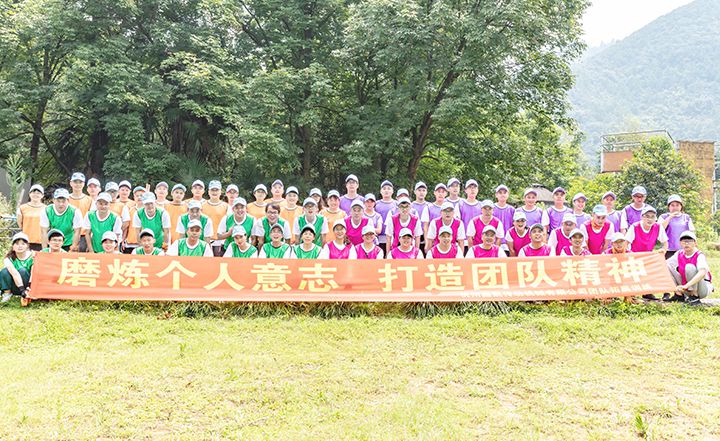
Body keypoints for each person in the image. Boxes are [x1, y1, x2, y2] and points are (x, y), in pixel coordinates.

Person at [665, 231, 713, 305]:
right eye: (684, 241)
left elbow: (702, 273)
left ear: (695, 243)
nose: (686, 244)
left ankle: (694, 296)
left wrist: (686, 286)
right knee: (667, 266)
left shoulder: (699, 255)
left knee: (689, 267)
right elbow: (665, 264)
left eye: (689, 241)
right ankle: (679, 295)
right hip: (685, 287)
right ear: (680, 243)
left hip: (701, 289)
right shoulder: (679, 253)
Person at [1, 233, 34, 304]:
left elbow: (33, 273)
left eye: (23, 244)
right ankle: (7, 293)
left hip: (27, 285)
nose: (20, 246)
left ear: (27, 246)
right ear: (13, 247)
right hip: (16, 285)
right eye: (17, 244)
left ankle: (26, 293)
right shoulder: (8, 259)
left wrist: (28, 287)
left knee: (23, 270)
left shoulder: (33, 256)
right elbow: (15, 274)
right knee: (4, 271)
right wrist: (21, 289)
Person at [660, 194, 695, 259]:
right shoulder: (663, 217)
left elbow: (692, 232)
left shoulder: (686, 217)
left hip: (683, 249)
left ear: (681, 206)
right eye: (672, 205)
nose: (675, 207)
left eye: (677, 205)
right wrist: (670, 217)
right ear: (668, 207)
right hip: (668, 250)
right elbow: (660, 229)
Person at [202, 180, 230, 256]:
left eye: (216, 190)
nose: (214, 192)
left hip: (220, 242)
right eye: (212, 190)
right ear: (208, 192)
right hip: (205, 240)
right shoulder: (202, 205)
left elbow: (229, 224)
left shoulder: (226, 206)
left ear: (220, 192)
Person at [17, 184, 46, 251]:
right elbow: (20, 223)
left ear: (42, 195)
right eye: (33, 192)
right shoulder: (22, 208)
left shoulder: (46, 209)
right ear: (29, 194)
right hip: (26, 241)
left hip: (41, 242)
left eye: (38, 193)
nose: (35, 195)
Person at [375, 180, 397, 251]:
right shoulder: (375, 204)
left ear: (392, 191)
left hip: (393, 237)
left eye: (389, 188)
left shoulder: (397, 204)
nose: (386, 191)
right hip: (378, 238)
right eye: (384, 189)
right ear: (381, 191)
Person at [493, 184, 515, 250]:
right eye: (500, 193)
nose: (502, 195)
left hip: (508, 243)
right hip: (493, 242)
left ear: (508, 195)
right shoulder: (492, 208)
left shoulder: (512, 210)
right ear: (496, 195)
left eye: (504, 193)